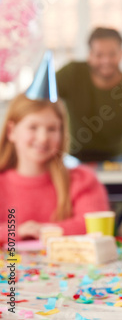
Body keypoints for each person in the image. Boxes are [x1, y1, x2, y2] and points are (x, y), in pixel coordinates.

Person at [0, 94, 109, 240]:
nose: (43, 137)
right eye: (33, 127)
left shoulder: (82, 180)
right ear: (11, 131)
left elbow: (93, 227)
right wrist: (16, 231)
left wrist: (43, 230)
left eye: (52, 129)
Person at [56, 27, 122, 163]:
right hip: (72, 157)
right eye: (99, 55)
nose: (106, 61)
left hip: (115, 159)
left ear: (121, 54)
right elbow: (39, 98)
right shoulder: (71, 73)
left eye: (112, 54)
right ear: (90, 55)